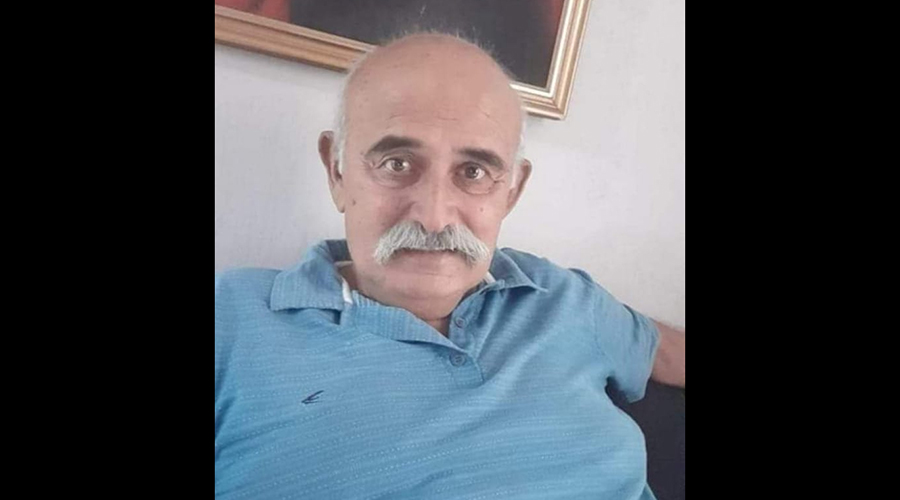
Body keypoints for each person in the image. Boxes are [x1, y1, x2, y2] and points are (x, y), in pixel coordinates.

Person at [215, 33, 685, 500]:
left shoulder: (563, 297)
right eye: (397, 164)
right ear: (336, 170)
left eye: (473, 172)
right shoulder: (231, 321)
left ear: (512, 191)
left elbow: (666, 354)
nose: (434, 217)